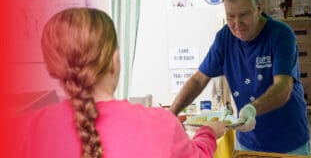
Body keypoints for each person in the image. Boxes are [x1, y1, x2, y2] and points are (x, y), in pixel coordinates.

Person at [12, 8, 226, 158]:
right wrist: (207, 133)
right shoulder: (161, 124)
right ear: (114, 61)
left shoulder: (25, 130)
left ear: (54, 67)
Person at [170, 0, 310, 155]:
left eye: (244, 14)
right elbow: (199, 79)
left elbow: (283, 87)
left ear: (258, 8)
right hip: (247, 141)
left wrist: (252, 109)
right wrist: (170, 114)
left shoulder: (281, 35)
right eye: (230, 16)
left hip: (289, 141)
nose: (237, 23)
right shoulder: (224, 38)